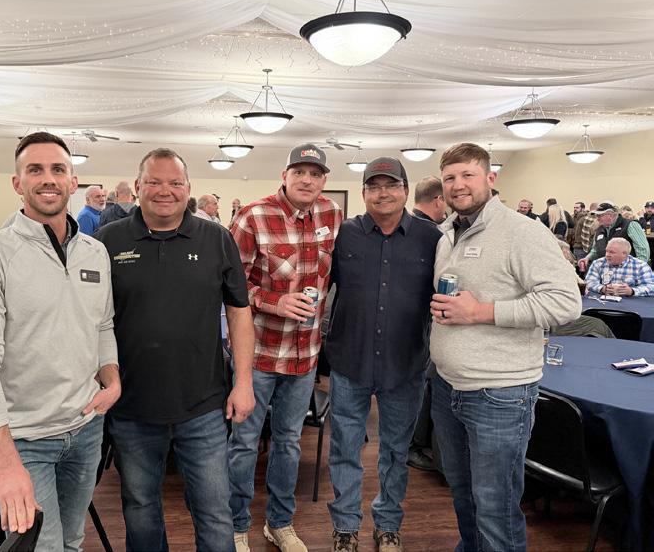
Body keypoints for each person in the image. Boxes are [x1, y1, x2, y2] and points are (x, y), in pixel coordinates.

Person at [0, 132, 121, 551]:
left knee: (72, 541)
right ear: (18, 183)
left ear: (72, 182)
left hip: (85, 428)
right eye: (35, 169)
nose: (48, 178)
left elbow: (102, 324)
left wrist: (112, 378)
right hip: (23, 440)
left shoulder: (95, 253)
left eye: (58, 169)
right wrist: (7, 463)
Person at [94, 148, 255, 552]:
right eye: (154, 182)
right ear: (137, 187)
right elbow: (92, 320)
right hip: (131, 407)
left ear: (188, 188)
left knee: (215, 512)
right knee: (140, 509)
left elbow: (239, 313)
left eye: (175, 183)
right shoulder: (107, 241)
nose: (164, 191)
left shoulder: (216, 238)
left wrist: (244, 382)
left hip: (204, 406)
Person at [428, 143, 581, 552]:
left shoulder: (522, 232)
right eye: (449, 178)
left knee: (495, 507)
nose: (458, 185)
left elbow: (566, 304)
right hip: (447, 386)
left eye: (467, 175)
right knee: (463, 494)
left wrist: (480, 312)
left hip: (499, 394)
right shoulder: (448, 233)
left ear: (490, 179)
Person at [228, 143, 343, 552]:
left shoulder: (332, 214)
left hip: (305, 355)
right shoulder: (253, 216)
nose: (307, 180)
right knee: (244, 444)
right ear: (284, 175)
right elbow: (229, 283)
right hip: (258, 354)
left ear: (324, 180)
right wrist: (273, 301)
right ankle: (236, 526)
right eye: (299, 172)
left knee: (289, 443)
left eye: (315, 173)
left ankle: (279, 524)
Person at [324, 158, 440, 552]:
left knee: (395, 451)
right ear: (363, 193)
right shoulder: (344, 234)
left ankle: (388, 524)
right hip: (349, 362)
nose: (383, 193)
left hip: (405, 365)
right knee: (345, 449)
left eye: (391, 185)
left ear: (405, 190)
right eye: (374, 186)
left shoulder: (432, 238)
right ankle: (345, 526)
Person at [578, 202, 649, 272]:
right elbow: (596, 249)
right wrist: (587, 258)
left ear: (610, 215)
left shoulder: (630, 225)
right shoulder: (600, 229)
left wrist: (637, 270)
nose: (597, 218)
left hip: (628, 271)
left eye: (599, 216)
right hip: (606, 272)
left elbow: (643, 250)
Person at [584, 237, 654, 297]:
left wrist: (632, 291)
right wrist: (601, 288)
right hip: (603, 302)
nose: (607, 255)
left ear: (624, 254)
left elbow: (651, 287)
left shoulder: (640, 266)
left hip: (631, 304)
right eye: (606, 251)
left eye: (612, 252)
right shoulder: (598, 263)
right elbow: (589, 282)